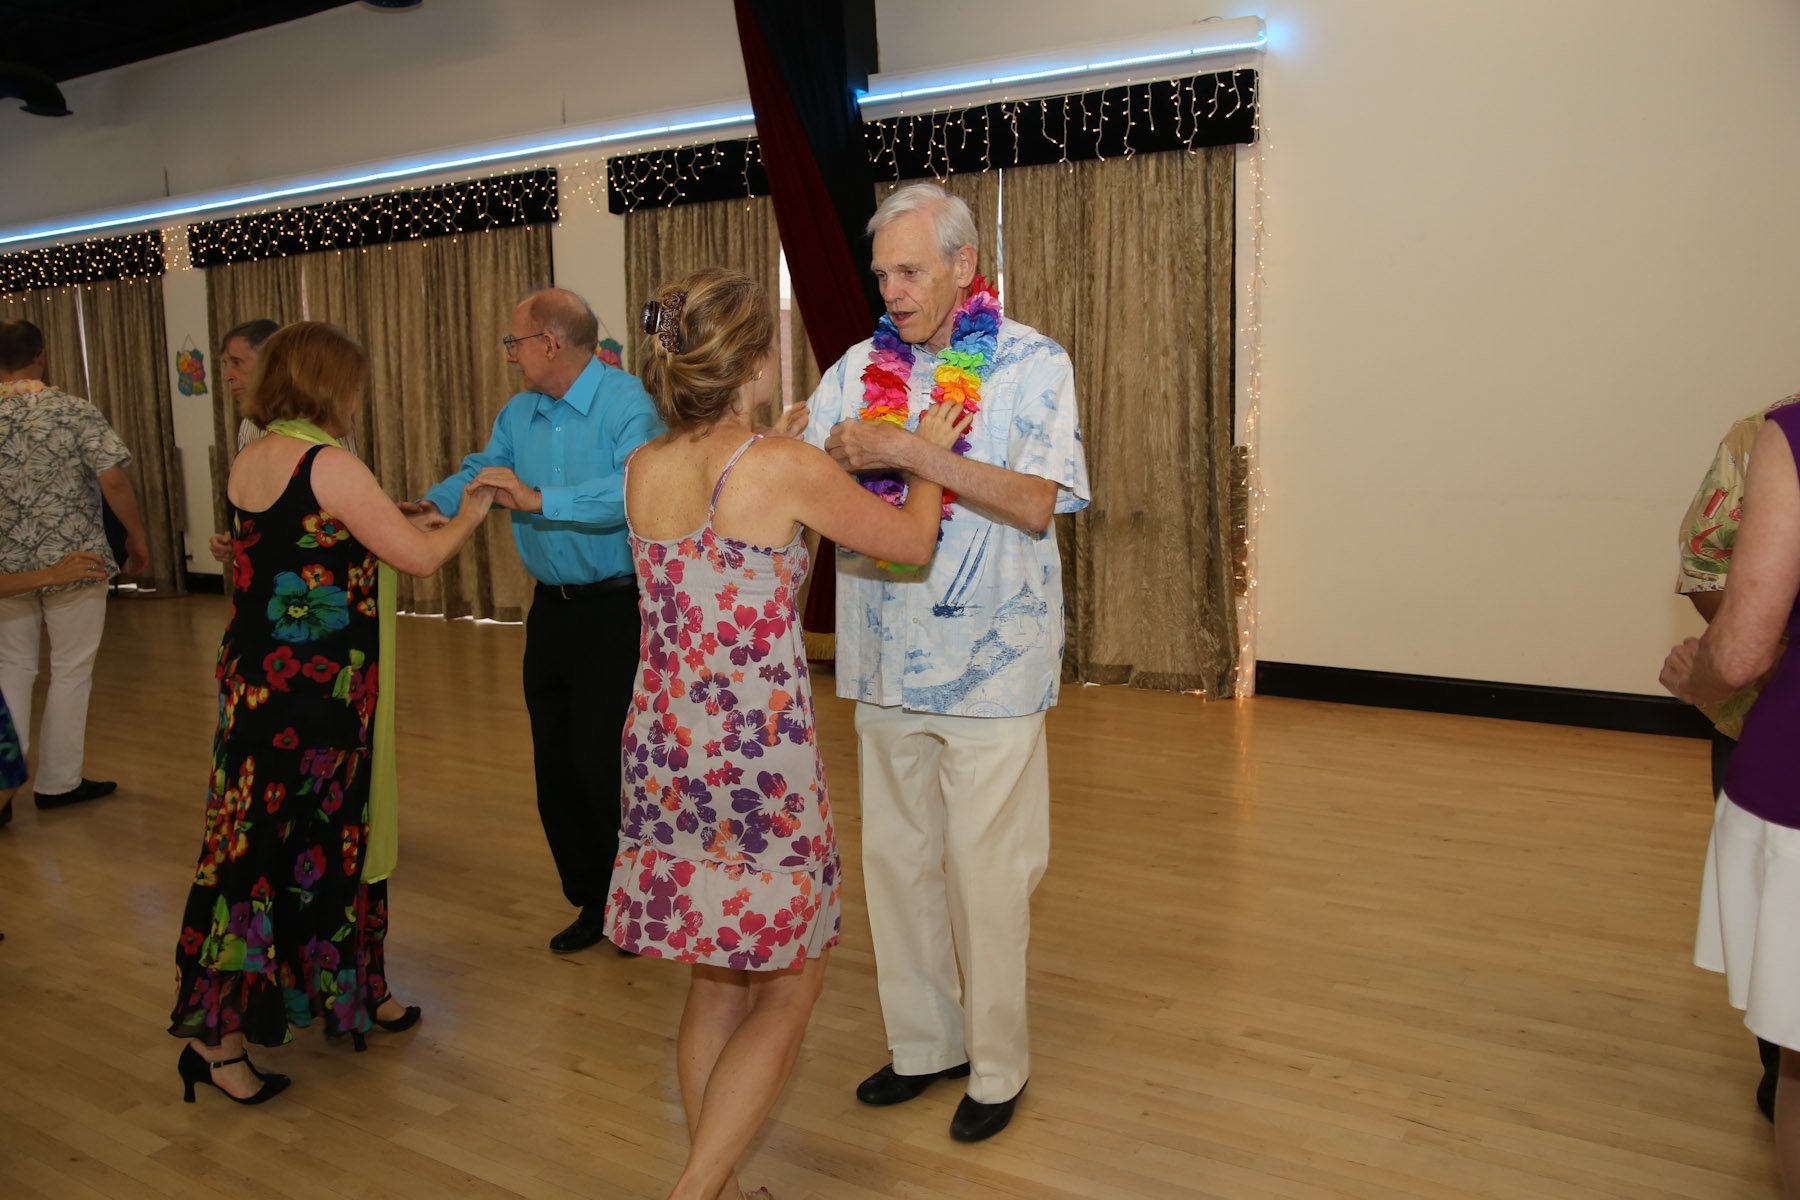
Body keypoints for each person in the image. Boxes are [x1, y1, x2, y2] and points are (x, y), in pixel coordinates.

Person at [608, 267, 969, 1200]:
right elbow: (909, 543)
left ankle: (718, 1188)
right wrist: (926, 458)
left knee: (716, 979)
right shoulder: (780, 467)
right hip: (755, 762)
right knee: (791, 982)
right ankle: (696, 1192)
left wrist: (787, 444)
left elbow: (721, 531)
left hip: (665, 749)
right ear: (755, 363)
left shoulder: (644, 466)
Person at [794, 181, 1090, 1143]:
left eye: (912, 271)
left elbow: (1036, 502)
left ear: (965, 266)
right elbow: (804, 476)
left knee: (988, 875)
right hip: (882, 657)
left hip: (994, 664)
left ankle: (998, 1068)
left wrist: (912, 453)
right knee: (897, 864)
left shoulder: (1033, 363)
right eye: (883, 273)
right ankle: (926, 1045)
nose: (893, 291)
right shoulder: (855, 367)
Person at [169, 322, 496, 1103]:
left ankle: (292, 1006)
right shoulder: (328, 463)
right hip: (314, 699)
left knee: (261, 850)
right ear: (329, 383)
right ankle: (217, 1046)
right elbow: (419, 561)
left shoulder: (254, 455)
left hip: (258, 688)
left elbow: (306, 543)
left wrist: (393, 516)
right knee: (282, 858)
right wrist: (474, 510)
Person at [411, 288, 662, 955]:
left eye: (514, 342)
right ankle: (593, 899)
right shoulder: (519, 412)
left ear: (550, 342)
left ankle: (633, 904)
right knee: (555, 766)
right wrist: (434, 505)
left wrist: (540, 498)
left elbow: (634, 490)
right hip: (551, 611)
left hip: (618, 611)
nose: (510, 355)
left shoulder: (628, 404)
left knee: (603, 765)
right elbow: (483, 472)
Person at [1663, 396, 1800, 1198]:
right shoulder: (1756, 437)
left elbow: (1741, 650)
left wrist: (1702, 679)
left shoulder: (1787, 435)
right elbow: (1705, 563)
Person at [0, 318, 151, 810]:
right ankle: (59, 782)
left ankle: (4, 785)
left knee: (13, 669)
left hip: (7, 568)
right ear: (41, 356)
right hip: (76, 558)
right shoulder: (73, 410)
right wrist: (137, 537)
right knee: (71, 669)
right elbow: (113, 481)